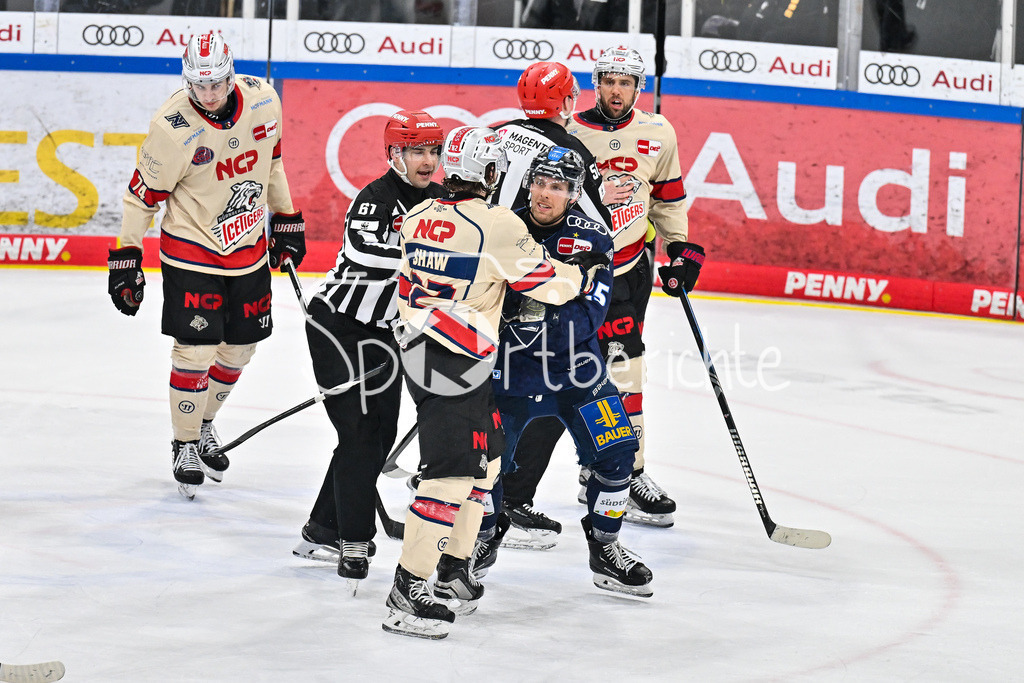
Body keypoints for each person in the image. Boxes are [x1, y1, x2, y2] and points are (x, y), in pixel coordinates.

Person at [383, 126, 608, 639]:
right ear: (491, 173)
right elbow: (545, 283)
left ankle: (452, 566)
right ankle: (407, 587)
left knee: (487, 463)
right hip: (453, 362)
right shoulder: (497, 223)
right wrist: (586, 276)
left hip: (426, 350)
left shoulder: (419, 214)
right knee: (449, 474)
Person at [107, 31, 305, 500]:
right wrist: (126, 256)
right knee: (195, 350)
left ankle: (203, 423)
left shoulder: (264, 101)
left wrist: (288, 217)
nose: (210, 94)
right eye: (200, 85)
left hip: (249, 245)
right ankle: (185, 443)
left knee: (240, 349)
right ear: (187, 80)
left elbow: (272, 163)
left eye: (217, 83)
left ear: (231, 73)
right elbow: (142, 196)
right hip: (191, 250)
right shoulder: (171, 127)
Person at [474, 145, 653, 598]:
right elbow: (488, 301)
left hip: (579, 371)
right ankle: (481, 539)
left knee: (618, 454)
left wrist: (532, 317)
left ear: (574, 194)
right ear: (529, 183)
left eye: (557, 186)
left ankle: (605, 547)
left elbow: (591, 315)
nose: (545, 194)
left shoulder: (592, 238)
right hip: (510, 375)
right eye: (539, 182)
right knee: (486, 465)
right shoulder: (502, 227)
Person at [291, 110, 446, 592]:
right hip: (338, 325)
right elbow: (363, 253)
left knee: (379, 438)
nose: (428, 161)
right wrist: (436, 259)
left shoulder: (443, 201)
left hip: (386, 332)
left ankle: (323, 526)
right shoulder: (374, 199)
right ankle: (354, 540)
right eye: (417, 150)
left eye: (433, 151)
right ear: (394, 155)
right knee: (359, 434)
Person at [559, 45, 705, 527]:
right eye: (608, 80)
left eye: (626, 82)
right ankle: (502, 479)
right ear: (595, 83)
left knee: (626, 372)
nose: (616, 90)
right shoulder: (569, 131)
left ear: (639, 88)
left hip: (627, 274)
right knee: (555, 374)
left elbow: (668, 199)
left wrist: (681, 248)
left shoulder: (658, 132)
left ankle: (626, 472)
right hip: (571, 276)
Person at [487, 60, 615, 547]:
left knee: (486, 407)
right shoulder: (569, 150)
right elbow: (594, 227)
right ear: (566, 102)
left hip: (486, 285)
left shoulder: (496, 134)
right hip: (539, 283)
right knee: (550, 390)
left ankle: (468, 486)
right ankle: (510, 501)